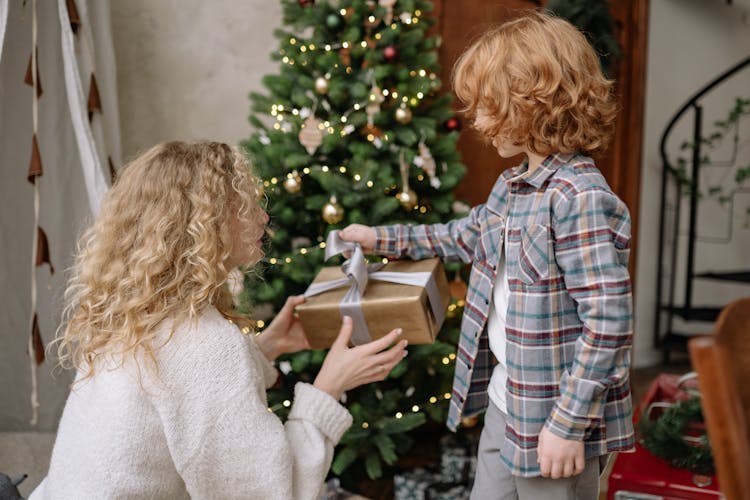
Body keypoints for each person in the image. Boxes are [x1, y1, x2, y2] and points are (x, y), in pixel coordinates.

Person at [340, 11, 634, 500]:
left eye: (487, 105)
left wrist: (567, 423)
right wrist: (379, 238)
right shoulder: (512, 188)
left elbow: (608, 322)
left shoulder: (579, 198)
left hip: (554, 421)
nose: (474, 121)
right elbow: (462, 236)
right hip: (506, 403)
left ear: (533, 103)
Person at [30, 141, 408, 500]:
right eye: (243, 205)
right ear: (204, 222)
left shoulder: (135, 312)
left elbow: (179, 390)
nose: (262, 216)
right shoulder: (204, 341)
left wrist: (269, 347)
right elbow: (269, 493)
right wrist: (329, 386)